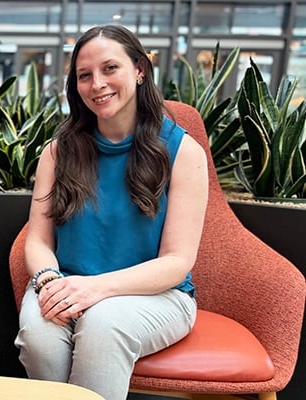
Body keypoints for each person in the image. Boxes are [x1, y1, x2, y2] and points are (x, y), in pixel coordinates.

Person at [13, 24, 208, 400]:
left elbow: (177, 262)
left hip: (158, 296)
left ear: (139, 70)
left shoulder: (184, 153)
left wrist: (95, 289)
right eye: (84, 75)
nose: (97, 84)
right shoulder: (57, 152)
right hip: (66, 284)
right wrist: (50, 282)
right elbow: (38, 240)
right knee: (39, 338)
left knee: (103, 324)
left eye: (110, 68)